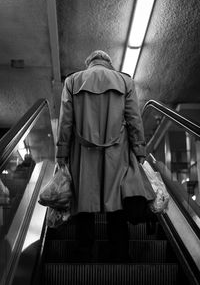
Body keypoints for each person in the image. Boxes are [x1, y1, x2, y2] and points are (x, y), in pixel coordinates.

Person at [56, 50, 155, 262]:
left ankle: (83, 254)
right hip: (117, 154)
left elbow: (66, 121)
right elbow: (134, 119)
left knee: (84, 205)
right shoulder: (125, 81)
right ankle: (119, 254)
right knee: (117, 205)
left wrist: (61, 152)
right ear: (109, 63)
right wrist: (139, 151)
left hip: (83, 154)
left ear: (88, 63)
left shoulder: (73, 81)